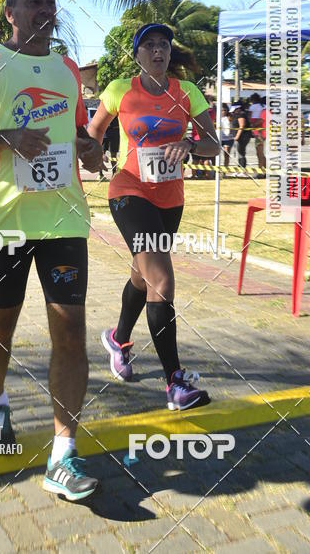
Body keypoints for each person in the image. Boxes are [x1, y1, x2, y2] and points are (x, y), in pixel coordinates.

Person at [0, 0, 104, 501]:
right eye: (35, 2)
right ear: (10, 13)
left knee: (71, 331)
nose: (46, 10)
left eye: (52, 3)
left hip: (64, 220)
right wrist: (7, 138)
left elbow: (78, 133)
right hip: (6, 220)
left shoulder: (68, 70)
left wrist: (90, 149)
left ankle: (63, 454)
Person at [87, 24, 220, 410]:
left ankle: (118, 338)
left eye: (164, 45)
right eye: (150, 46)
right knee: (161, 279)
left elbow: (213, 145)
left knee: (143, 276)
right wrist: (86, 157)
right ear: (137, 54)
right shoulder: (119, 90)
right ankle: (175, 383)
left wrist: (190, 143)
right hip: (128, 191)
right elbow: (94, 136)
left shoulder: (187, 93)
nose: (158, 51)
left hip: (170, 199)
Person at [230, 99, 251, 172]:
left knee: (241, 153)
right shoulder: (238, 114)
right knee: (240, 153)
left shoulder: (241, 114)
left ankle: (243, 170)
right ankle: (240, 169)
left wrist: (237, 136)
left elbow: (242, 126)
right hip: (240, 137)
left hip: (242, 137)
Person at [248, 93, 266, 172]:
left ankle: (261, 170)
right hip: (263, 130)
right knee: (262, 153)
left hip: (258, 131)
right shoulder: (264, 107)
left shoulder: (253, 107)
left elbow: (249, 117)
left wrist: (251, 126)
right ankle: (264, 169)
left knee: (259, 153)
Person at [220, 103, 235, 169]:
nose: (223, 112)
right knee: (216, 155)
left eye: (225, 110)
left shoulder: (229, 117)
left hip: (228, 139)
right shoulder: (217, 117)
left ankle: (225, 170)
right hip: (219, 138)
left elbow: (233, 126)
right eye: (222, 110)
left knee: (226, 154)